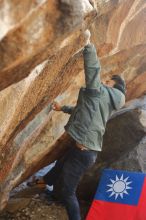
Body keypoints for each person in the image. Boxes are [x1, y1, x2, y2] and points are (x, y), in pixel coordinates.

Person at [28, 30, 126, 220]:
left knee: (68, 192)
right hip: (83, 150)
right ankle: (43, 184)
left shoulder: (100, 92)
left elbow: (93, 72)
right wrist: (61, 108)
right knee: (60, 165)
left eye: (108, 81)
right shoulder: (105, 102)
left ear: (114, 87)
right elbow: (83, 112)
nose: (104, 82)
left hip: (84, 152)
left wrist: (88, 46)